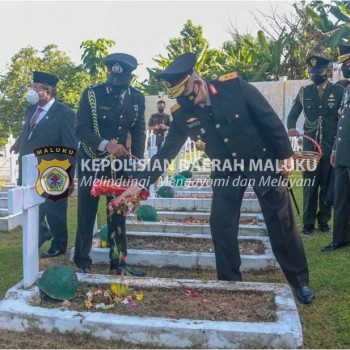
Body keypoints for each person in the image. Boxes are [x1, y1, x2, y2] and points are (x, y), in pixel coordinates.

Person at [117, 52, 315, 304]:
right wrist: (139, 183)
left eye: (189, 96)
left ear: (197, 82)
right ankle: (231, 283)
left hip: (262, 161)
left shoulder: (234, 87)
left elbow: (268, 119)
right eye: (182, 99)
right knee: (221, 225)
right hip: (226, 170)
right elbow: (166, 154)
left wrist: (285, 153)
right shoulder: (181, 113)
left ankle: (300, 282)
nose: (189, 104)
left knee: (281, 223)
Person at [73, 53, 146, 276]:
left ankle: (118, 263)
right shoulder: (91, 94)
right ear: (107, 74)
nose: (114, 85)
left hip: (121, 165)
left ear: (129, 78)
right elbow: (81, 129)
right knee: (87, 211)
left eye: (120, 81)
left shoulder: (137, 98)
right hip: (92, 162)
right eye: (111, 79)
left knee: (118, 212)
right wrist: (106, 145)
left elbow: (139, 130)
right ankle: (83, 261)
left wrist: (138, 162)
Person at [10, 71, 77, 257]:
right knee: (30, 204)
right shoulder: (31, 109)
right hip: (28, 167)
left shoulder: (65, 113)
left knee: (54, 208)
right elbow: (28, 130)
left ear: (48, 92)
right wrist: (17, 145)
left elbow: (70, 144)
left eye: (36, 88)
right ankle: (43, 232)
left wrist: (67, 173)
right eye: (32, 87)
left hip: (52, 167)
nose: (32, 91)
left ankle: (59, 243)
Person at [287, 55, 344, 235]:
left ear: (327, 71)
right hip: (309, 148)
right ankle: (308, 222)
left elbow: (342, 119)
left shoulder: (339, 92)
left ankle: (324, 221)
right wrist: (291, 128)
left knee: (327, 185)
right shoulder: (305, 92)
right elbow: (292, 115)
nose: (315, 76)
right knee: (309, 185)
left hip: (330, 146)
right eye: (312, 73)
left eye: (318, 72)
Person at [322, 43, 350, 252]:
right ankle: (341, 237)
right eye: (344, 64)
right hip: (342, 153)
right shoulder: (347, 89)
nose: (346, 67)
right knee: (340, 197)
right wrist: (334, 150)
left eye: (348, 63)